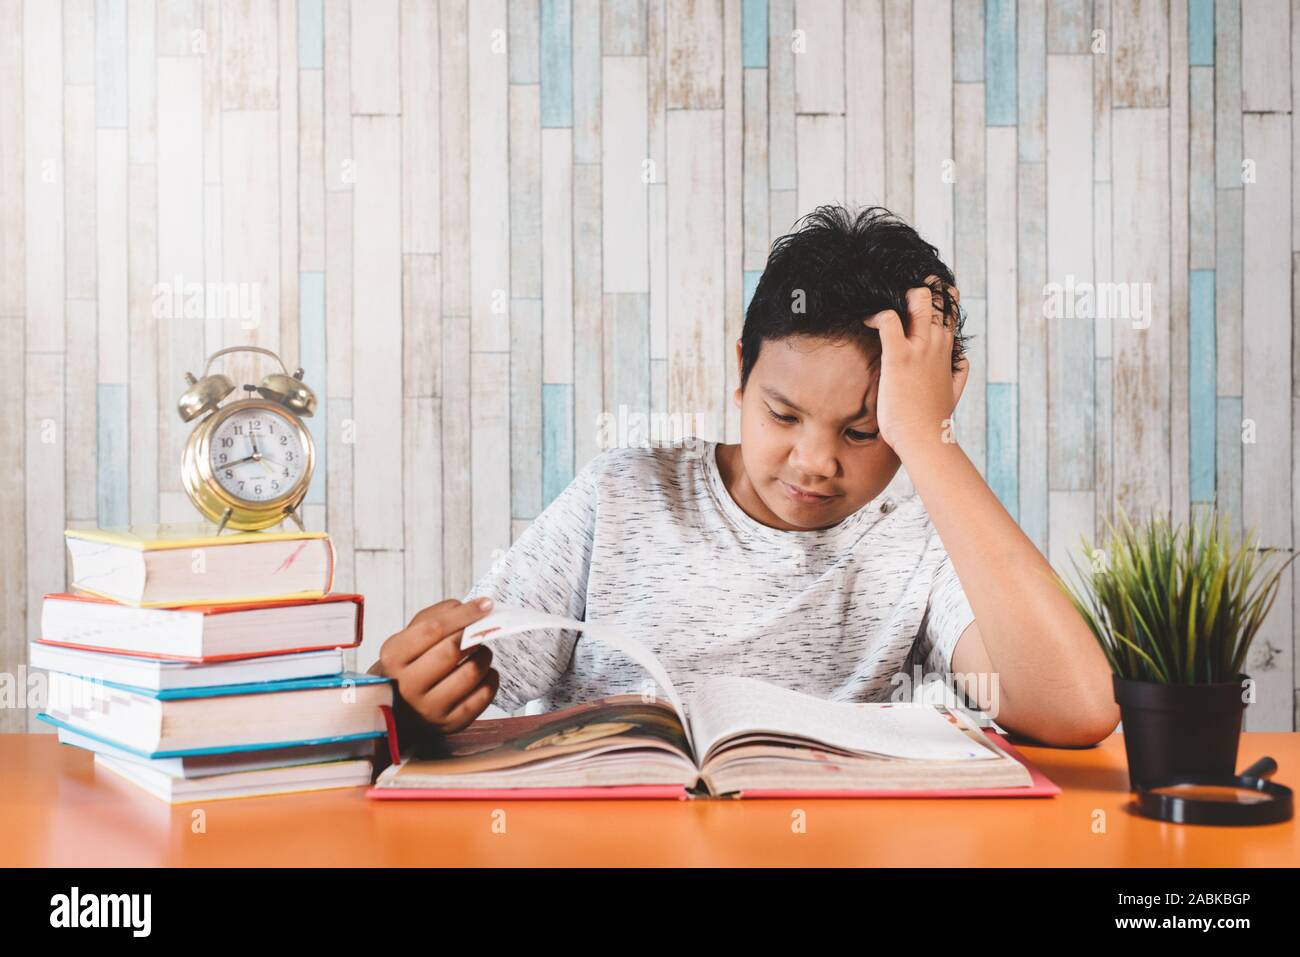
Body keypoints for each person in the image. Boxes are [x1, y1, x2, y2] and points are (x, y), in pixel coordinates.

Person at [369, 205, 1120, 751]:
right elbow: (450, 688)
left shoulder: (919, 544)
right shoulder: (622, 495)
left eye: (863, 431)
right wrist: (408, 695)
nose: (816, 461)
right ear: (740, 372)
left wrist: (929, 440)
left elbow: (1078, 707)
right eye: (783, 414)